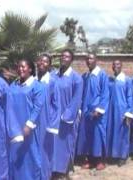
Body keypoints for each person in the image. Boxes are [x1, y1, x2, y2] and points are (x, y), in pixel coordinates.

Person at [9, 59, 45, 180]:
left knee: (31, 155)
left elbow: (38, 106)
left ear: (30, 69)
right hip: (14, 126)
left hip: (29, 127)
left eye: (23, 67)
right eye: (18, 67)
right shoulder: (13, 85)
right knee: (15, 155)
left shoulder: (37, 86)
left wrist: (29, 124)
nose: (20, 69)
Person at [49, 49, 83, 180]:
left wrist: (66, 116)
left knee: (66, 144)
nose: (64, 58)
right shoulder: (52, 75)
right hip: (53, 118)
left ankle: (64, 171)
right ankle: (53, 169)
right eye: (62, 56)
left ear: (71, 60)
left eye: (67, 57)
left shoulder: (76, 78)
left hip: (67, 119)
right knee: (53, 144)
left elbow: (76, 99)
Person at [76, 53, 109, 170]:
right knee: (87, 136)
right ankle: (89, 159)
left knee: (98, 135)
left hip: (97, 112)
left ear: (96, 60)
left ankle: (100, 160)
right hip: (86, 110)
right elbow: (82, 94)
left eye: (91, 58)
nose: (88, 61)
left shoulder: (102, 75)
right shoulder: (85, 76)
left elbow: (105, 94)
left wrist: (99, 109)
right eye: (87, 59)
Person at [106, 60, 133, 167]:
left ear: (121, 66)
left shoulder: (127, 80)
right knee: (112, 132)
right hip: (111, 111)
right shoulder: (110, 80)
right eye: (114, 64)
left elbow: (130, 97)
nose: (115, 66)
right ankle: (112, 155)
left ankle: (122, 156)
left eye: (118, 64)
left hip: (122, 111)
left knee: (122, 133)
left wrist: (129, 112)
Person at [35, 53, 57, 180]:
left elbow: (56, 104)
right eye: (40, 61)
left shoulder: (52, 82)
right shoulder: (32, 80)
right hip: (32, 121)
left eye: (45, 62)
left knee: (44, 149)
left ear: (49, 65)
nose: (42, 63)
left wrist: (52, 124)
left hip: (45, 121)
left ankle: (45, 176)